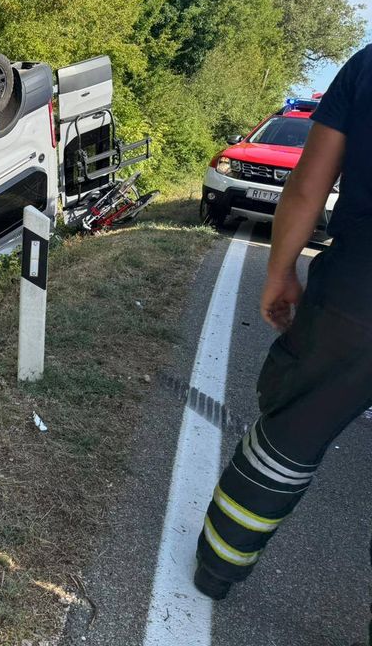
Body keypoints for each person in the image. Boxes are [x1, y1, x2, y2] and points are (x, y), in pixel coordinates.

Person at [192, 45, 372, 636]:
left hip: (356, 296)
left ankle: (216, 569)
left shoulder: (368, 67)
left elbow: (308, 185)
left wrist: (280, 274)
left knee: (292, 431)